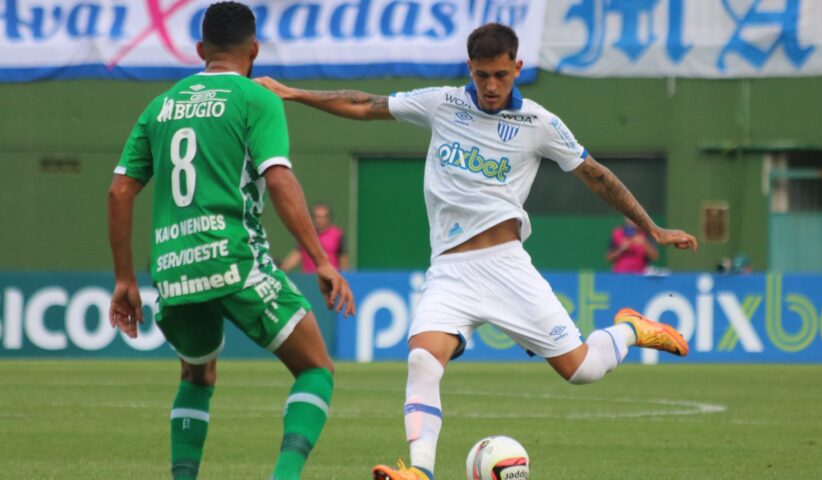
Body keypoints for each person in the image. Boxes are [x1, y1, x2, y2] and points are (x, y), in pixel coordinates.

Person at [256, 23, 697, 480]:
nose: (491, 85)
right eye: (482, 74)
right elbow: (366, 104)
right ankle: (421, 471)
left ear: (517, 68)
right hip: (449, 271)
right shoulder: (442, 103)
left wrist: (653, 229)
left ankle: (629, 329)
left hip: (506, 267)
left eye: (501, 75)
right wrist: (292, 93)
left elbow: (597, 176)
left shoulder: (539, 124)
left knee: (581, 369)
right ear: (470, 68)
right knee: (422, 358)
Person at [107, 3, 355, 479]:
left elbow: (119, 190)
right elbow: (279, 179)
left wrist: (123, 277)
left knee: (197, 377)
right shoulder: (255, 98)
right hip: (236, 259)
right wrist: (321, 260)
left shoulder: (160, 106)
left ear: (200, 50)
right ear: (255, 49)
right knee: (315, 369)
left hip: (175, 268)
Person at [281, 203, 349, 273]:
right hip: (309, 279)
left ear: (328, 218)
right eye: (317, 217)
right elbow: (297, 254)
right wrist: (282, 268)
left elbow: (343, 258)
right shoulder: (305, 234)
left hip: (330, 279)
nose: (319, 220)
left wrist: (344, 276)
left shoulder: (337, 234)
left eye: (323, 217)